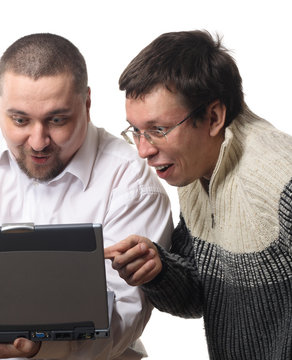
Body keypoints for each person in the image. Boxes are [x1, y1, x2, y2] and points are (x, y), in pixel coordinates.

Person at [0, 33, 173, 360]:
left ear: (87, 104)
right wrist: (19, 286)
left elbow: (124, 316)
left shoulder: (131, 182)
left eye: (57, 120)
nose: (38, 141)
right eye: (19, 120)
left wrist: (41, 345)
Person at [106, 30, 292, 359]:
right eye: (136, 131)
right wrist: (157, 269)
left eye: (158, 130)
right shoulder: (196, 172)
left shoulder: (280, 181)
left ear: (214, 117)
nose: (143, 150)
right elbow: (197, 298)